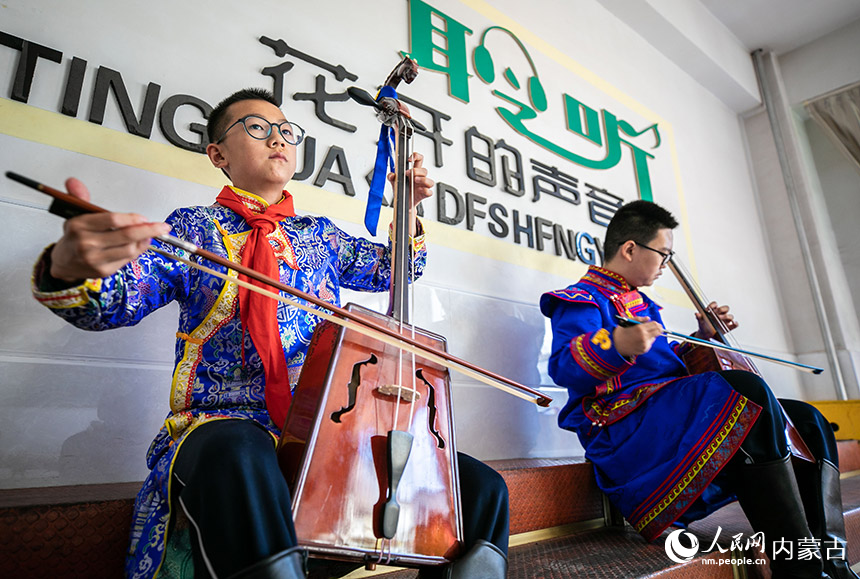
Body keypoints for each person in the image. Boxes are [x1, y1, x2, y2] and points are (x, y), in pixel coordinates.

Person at [31, 88, 508, 579]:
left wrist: (406, 205)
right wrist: (69, 267)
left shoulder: (319, 235)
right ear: (218, 154)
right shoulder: (192, 229)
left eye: (286, 130)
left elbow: (397, 270)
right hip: (220, 423)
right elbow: (115, 300)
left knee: (479, 487)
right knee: (241, 452)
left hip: (322, 430)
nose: (277, 138)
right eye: (257, 128)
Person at [540, 200, 856, 578]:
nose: (664, 266)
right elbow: (563, 365)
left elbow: (664, 365)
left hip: (665, 418)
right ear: (629, 249)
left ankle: (830, 561)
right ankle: (797, 572)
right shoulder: (580, 299)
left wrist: (703, 338)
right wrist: (617, 344)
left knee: (806, 419)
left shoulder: (641, 304)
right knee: (745, 391)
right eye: (663, 255)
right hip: (624, 432)